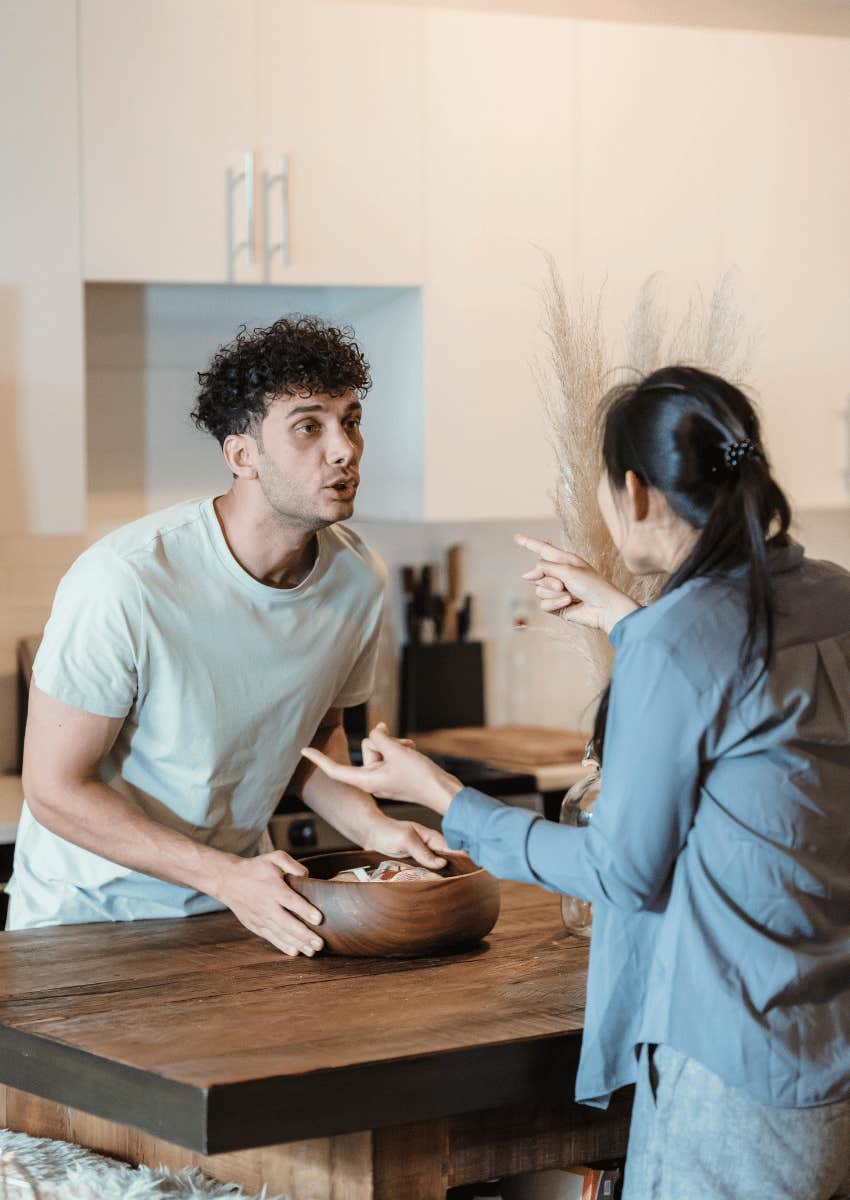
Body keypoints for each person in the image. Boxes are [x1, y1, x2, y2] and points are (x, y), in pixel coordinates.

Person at [303, 365, 850, 1199]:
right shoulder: (834, 597)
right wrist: (628, 620)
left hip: (733, 1062)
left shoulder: (679, 642)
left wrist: (445, 797)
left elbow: (622, 871)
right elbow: (752, 723)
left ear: (632, 492)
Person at [7, 315, 447, 956]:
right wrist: (224, 876)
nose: (344, 449)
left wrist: (376, 829)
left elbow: (310, 740)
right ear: (242, 456)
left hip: (239, 911)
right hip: (85, 922)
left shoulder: (358, 580)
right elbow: (53, 789)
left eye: (350, 420)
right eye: (308, 426)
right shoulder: (126, 581)